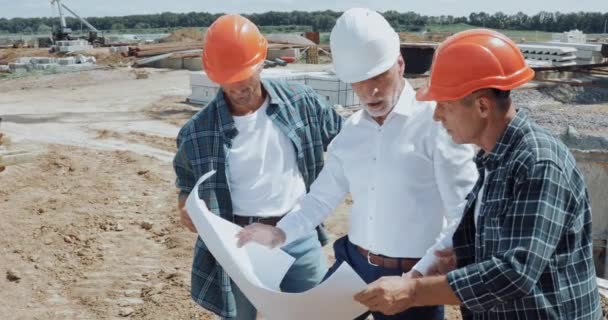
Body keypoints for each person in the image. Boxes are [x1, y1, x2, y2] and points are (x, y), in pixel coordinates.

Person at [236, 8, 478, 320]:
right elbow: (320, 198)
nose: (370, 91)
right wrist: (278, 234)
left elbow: (463, 214)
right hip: (352, 266)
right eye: (359, 82)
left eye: (379, 76)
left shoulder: (436, 124)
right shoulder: (351, 132)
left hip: (411, 275)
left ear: (400, 65)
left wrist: (416, 281)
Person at [354, 29, 602, 320]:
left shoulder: (539, 163)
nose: (436, 116)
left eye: (444, 105)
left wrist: (413, 292)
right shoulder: (492, 157)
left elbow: (515, 272)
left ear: (482, 106)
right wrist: (464, 258)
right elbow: (502, 242)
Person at [172, 14, 343, 320]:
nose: (237, 87)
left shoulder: (302, 103)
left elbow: (347, 142)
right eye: (228, 79)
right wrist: (185, 204)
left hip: (296, 232)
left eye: (244, 75)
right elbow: (186, 181)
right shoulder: (197, 132)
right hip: (239, 241)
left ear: (262, 62)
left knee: (314, 314)